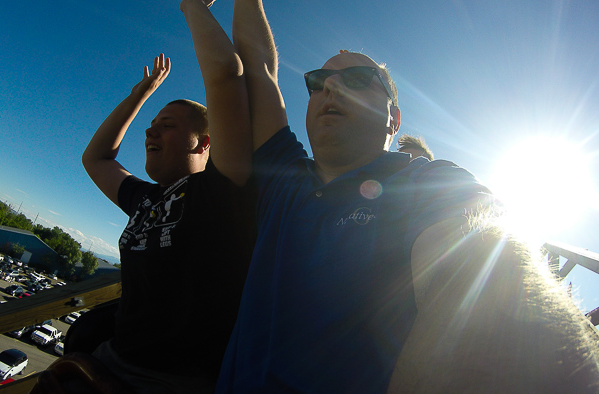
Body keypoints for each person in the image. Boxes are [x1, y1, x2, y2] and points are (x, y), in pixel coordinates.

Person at [214, 0, 599, 392]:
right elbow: (259, 68)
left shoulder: (429, 182)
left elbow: (485, 260)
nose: (329, 85)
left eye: (360, 79)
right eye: (317, 81)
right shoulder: (284, 177)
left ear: (393, 120)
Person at [78, 1, 254, 391]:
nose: (149, 132)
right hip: (110, 362)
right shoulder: (145, 199)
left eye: (167, 126)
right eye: (152, 124)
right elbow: (96, 158)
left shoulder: (221, 191)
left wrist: (191, 6)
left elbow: (227, 73)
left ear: (205, 143)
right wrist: (141, 93)